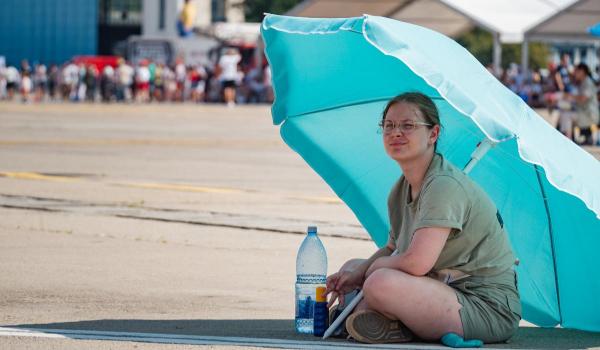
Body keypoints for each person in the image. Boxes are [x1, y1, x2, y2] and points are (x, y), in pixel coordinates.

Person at [325, 92, 521, 345]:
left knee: (379, 282)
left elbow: (417, 263)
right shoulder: (400, 190)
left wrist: (370, 272)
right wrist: (358, 273)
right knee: (352, 267)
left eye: (408, 125)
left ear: (433, 134)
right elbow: (393, 249)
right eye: (389, 125)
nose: (396, 133)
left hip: (483, 305)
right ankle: (392, 323)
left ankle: (382, 317)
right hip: (440, 288)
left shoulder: (443, 185)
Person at [558, 63, 599, 144]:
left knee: (566, 115)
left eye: (576, 71)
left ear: (582, 72)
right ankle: (568, 138)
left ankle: (568, 141)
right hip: (584, 113)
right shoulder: (583, 82)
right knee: (564, 112)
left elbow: (583, 98)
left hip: (589, 115)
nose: (574, 73)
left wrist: (569, 96)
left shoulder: (588, 82)